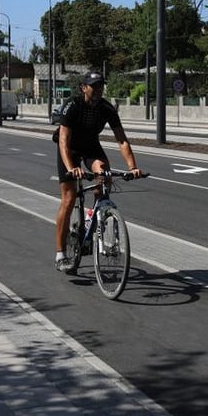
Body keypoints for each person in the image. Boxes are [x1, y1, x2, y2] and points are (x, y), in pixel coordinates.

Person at [53, 71, 143, 273]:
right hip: (69, 150)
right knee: (68, 199)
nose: (98, 90)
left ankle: (96, 214)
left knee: (103, 174)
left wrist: (133, 167)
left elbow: (122, 140)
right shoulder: (73, 105)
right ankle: (60, 254)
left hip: (91, 147)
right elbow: (63, 140)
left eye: (101, 86)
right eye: (94, 86)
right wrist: (71, 168)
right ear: (83, 88)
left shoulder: (106, 108)